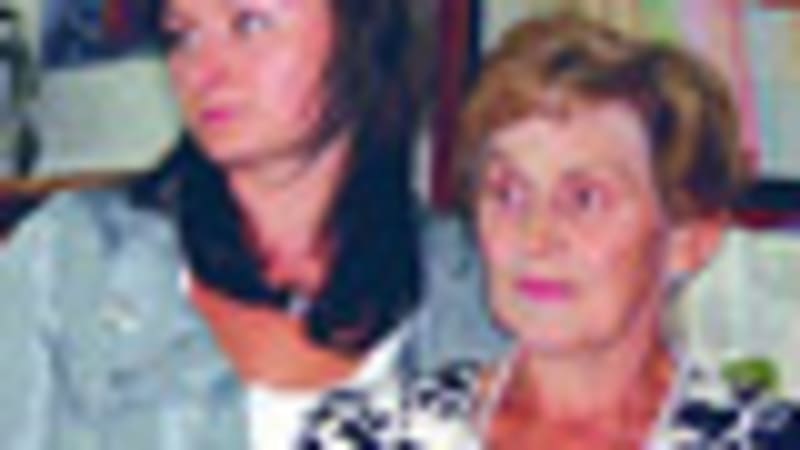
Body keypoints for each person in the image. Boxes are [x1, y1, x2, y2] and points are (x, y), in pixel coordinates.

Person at [0, 0, 507, 448]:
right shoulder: (71, 260)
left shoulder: (478, 289)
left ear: (361, 27)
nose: (205, 71)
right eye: (183, 35)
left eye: (250, 24)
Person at [299, 14, 800, 449]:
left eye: (584, 199)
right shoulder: (368, 434)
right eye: (508, 194)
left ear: (690, 238)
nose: (535, 239)